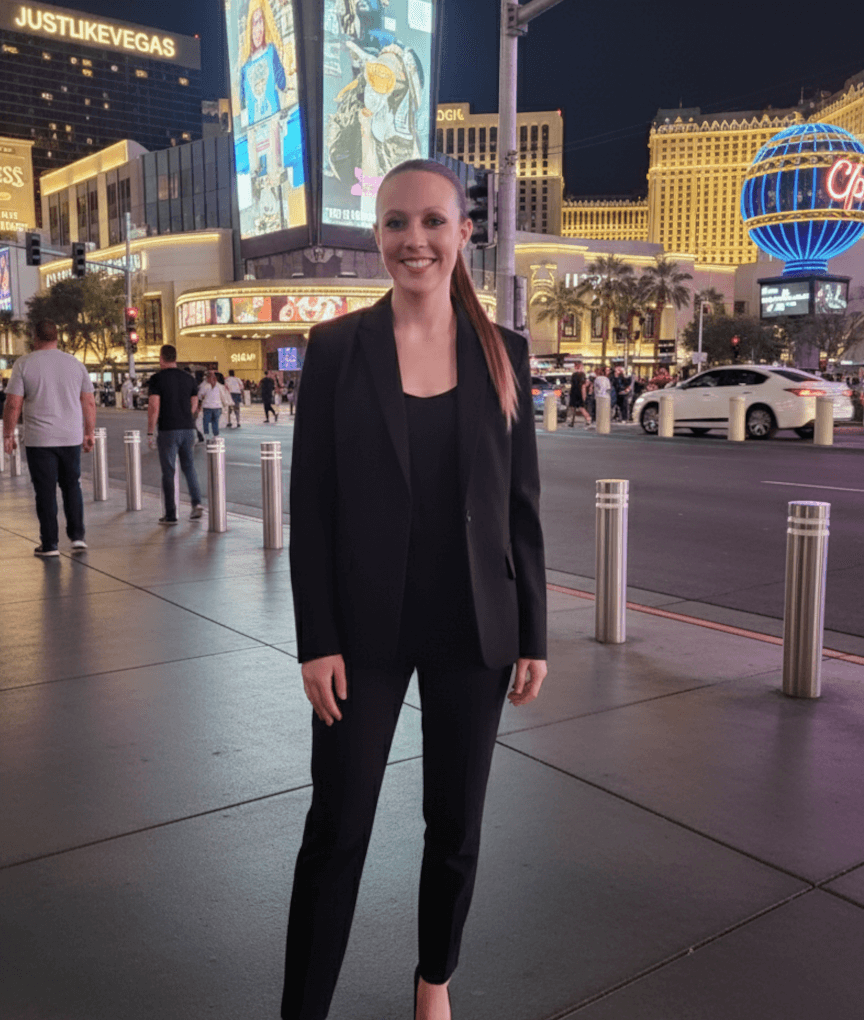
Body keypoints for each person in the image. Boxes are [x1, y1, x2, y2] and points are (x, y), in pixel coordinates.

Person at [282, 159, 548, 1020]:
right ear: (378, 237)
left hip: (476, 626)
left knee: (456, 827)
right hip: (363, 630)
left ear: (465, 232)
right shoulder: (336, 348)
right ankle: (304, 1006)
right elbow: (311, 505)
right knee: (339, 828)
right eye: (396, 223)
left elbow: (520, 505)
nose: (414, 240)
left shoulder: (504, 353)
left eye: (433, 222)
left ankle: (434, 981)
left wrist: (534, 631)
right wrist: (315, 637)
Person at [2, 319, 95, 556]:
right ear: (57, 336)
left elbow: (13, 404)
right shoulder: (75, 364)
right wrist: (89, 432)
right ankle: (77, 537)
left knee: (44, 491)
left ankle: (50, 544)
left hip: (40, 440)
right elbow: (89, 402)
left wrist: (8, 434)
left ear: (35, 337)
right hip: (71, 437)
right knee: (71, 486)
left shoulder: (24, 364)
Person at [146, 344, 204, 524]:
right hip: (188, 429)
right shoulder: (188, 378)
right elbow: (194, 404)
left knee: (169, 471)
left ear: (161, 358)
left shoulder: (156, 379)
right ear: (175, 358)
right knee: (189, 467)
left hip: (168, 430)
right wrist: (186, 414)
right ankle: (197, 503)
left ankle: (171, 514)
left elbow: (154, 407)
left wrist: (149, 432)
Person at [197, 370, 230, 438]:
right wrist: (225, 404)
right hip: (217, 407)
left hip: (208, 407)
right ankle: (216, 435)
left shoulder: (205, 386)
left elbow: (200, 395)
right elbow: (223, 397)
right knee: (215, 422)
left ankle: (206, 435)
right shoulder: (220, 386)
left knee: (206, 422)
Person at [566, 359, 590, 427]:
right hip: (577, 392)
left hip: (576, 392)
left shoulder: (577, 375)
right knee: (579, 407)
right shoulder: (581, 374)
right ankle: (586, 419)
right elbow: (583, 385)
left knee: (577, 407)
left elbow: (582, 385)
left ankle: (587, 419)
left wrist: (583, 394)